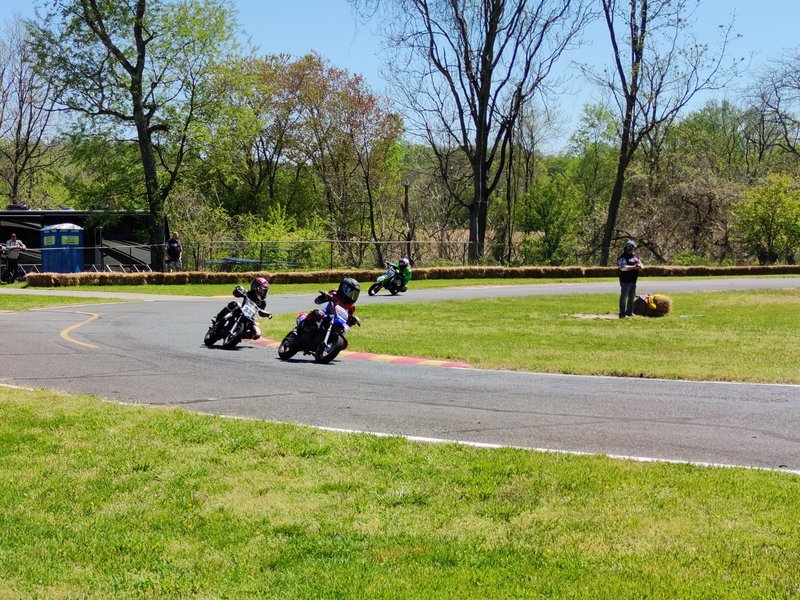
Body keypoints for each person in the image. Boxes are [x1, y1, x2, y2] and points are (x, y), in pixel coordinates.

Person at [618, 239, 644, 318]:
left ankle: (629, 312)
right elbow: (622, 267)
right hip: (625, 280)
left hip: (633, 280)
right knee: (624, 297)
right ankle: (622, 313)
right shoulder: (623, 257)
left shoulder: (636, 257)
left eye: (633, 247)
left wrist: (639, 267)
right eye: (630, 247)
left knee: (631, 297)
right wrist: (634, 267)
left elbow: (641, 266)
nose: (632, 249)